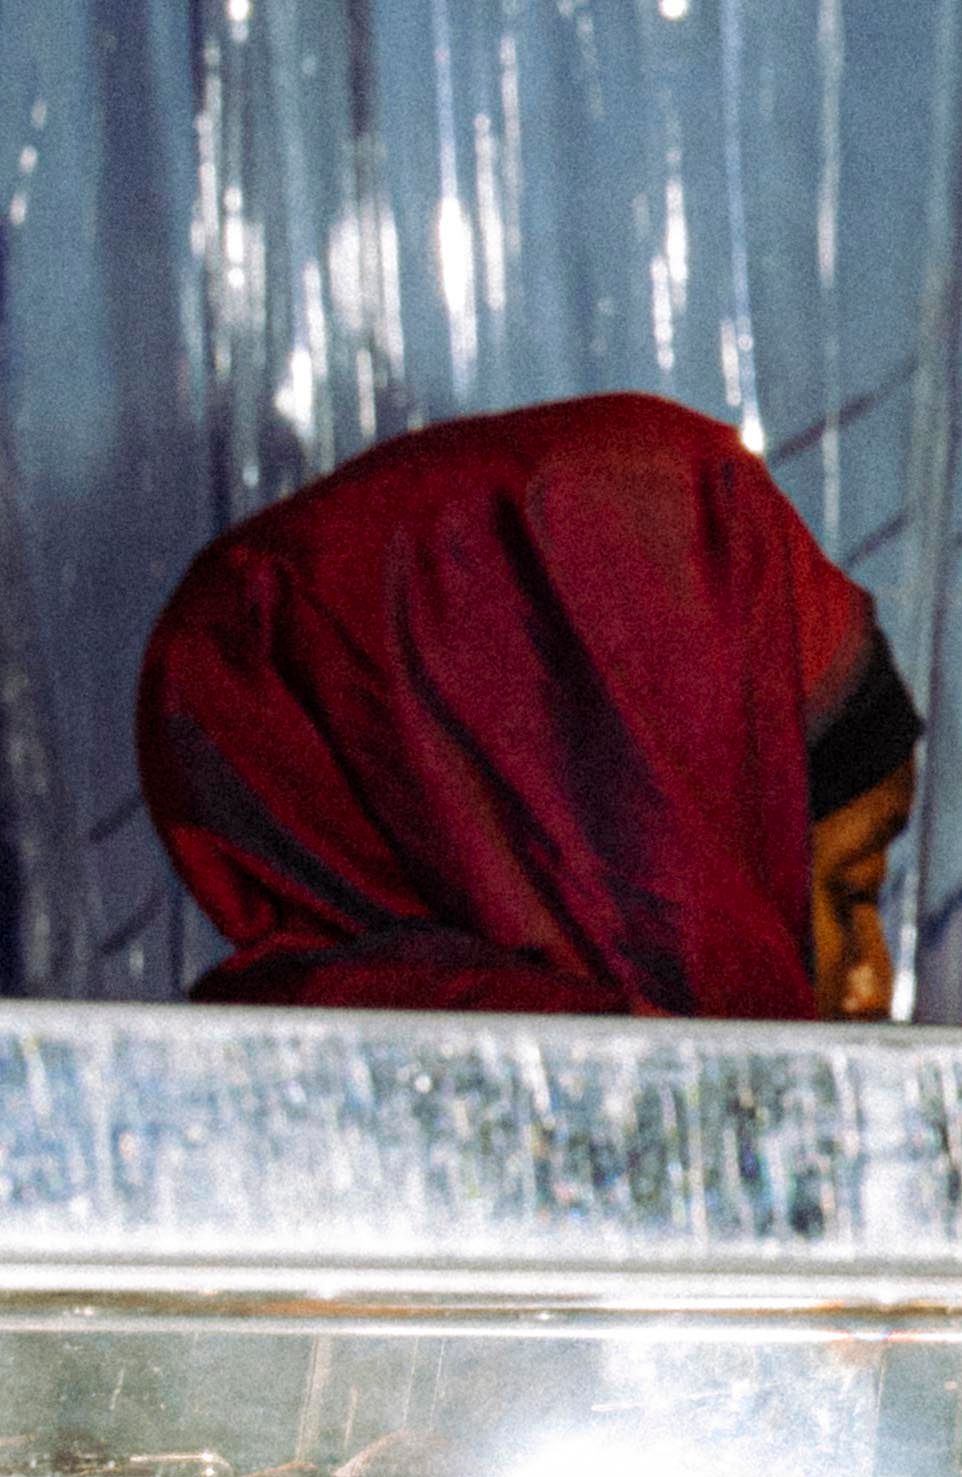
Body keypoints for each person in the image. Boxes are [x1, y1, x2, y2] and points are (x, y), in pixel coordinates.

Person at [136, 391, 920, 1022]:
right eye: (849, 896)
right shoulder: (638, 1151)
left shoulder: (213, 1124)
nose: (872, 990)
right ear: (640, 848)